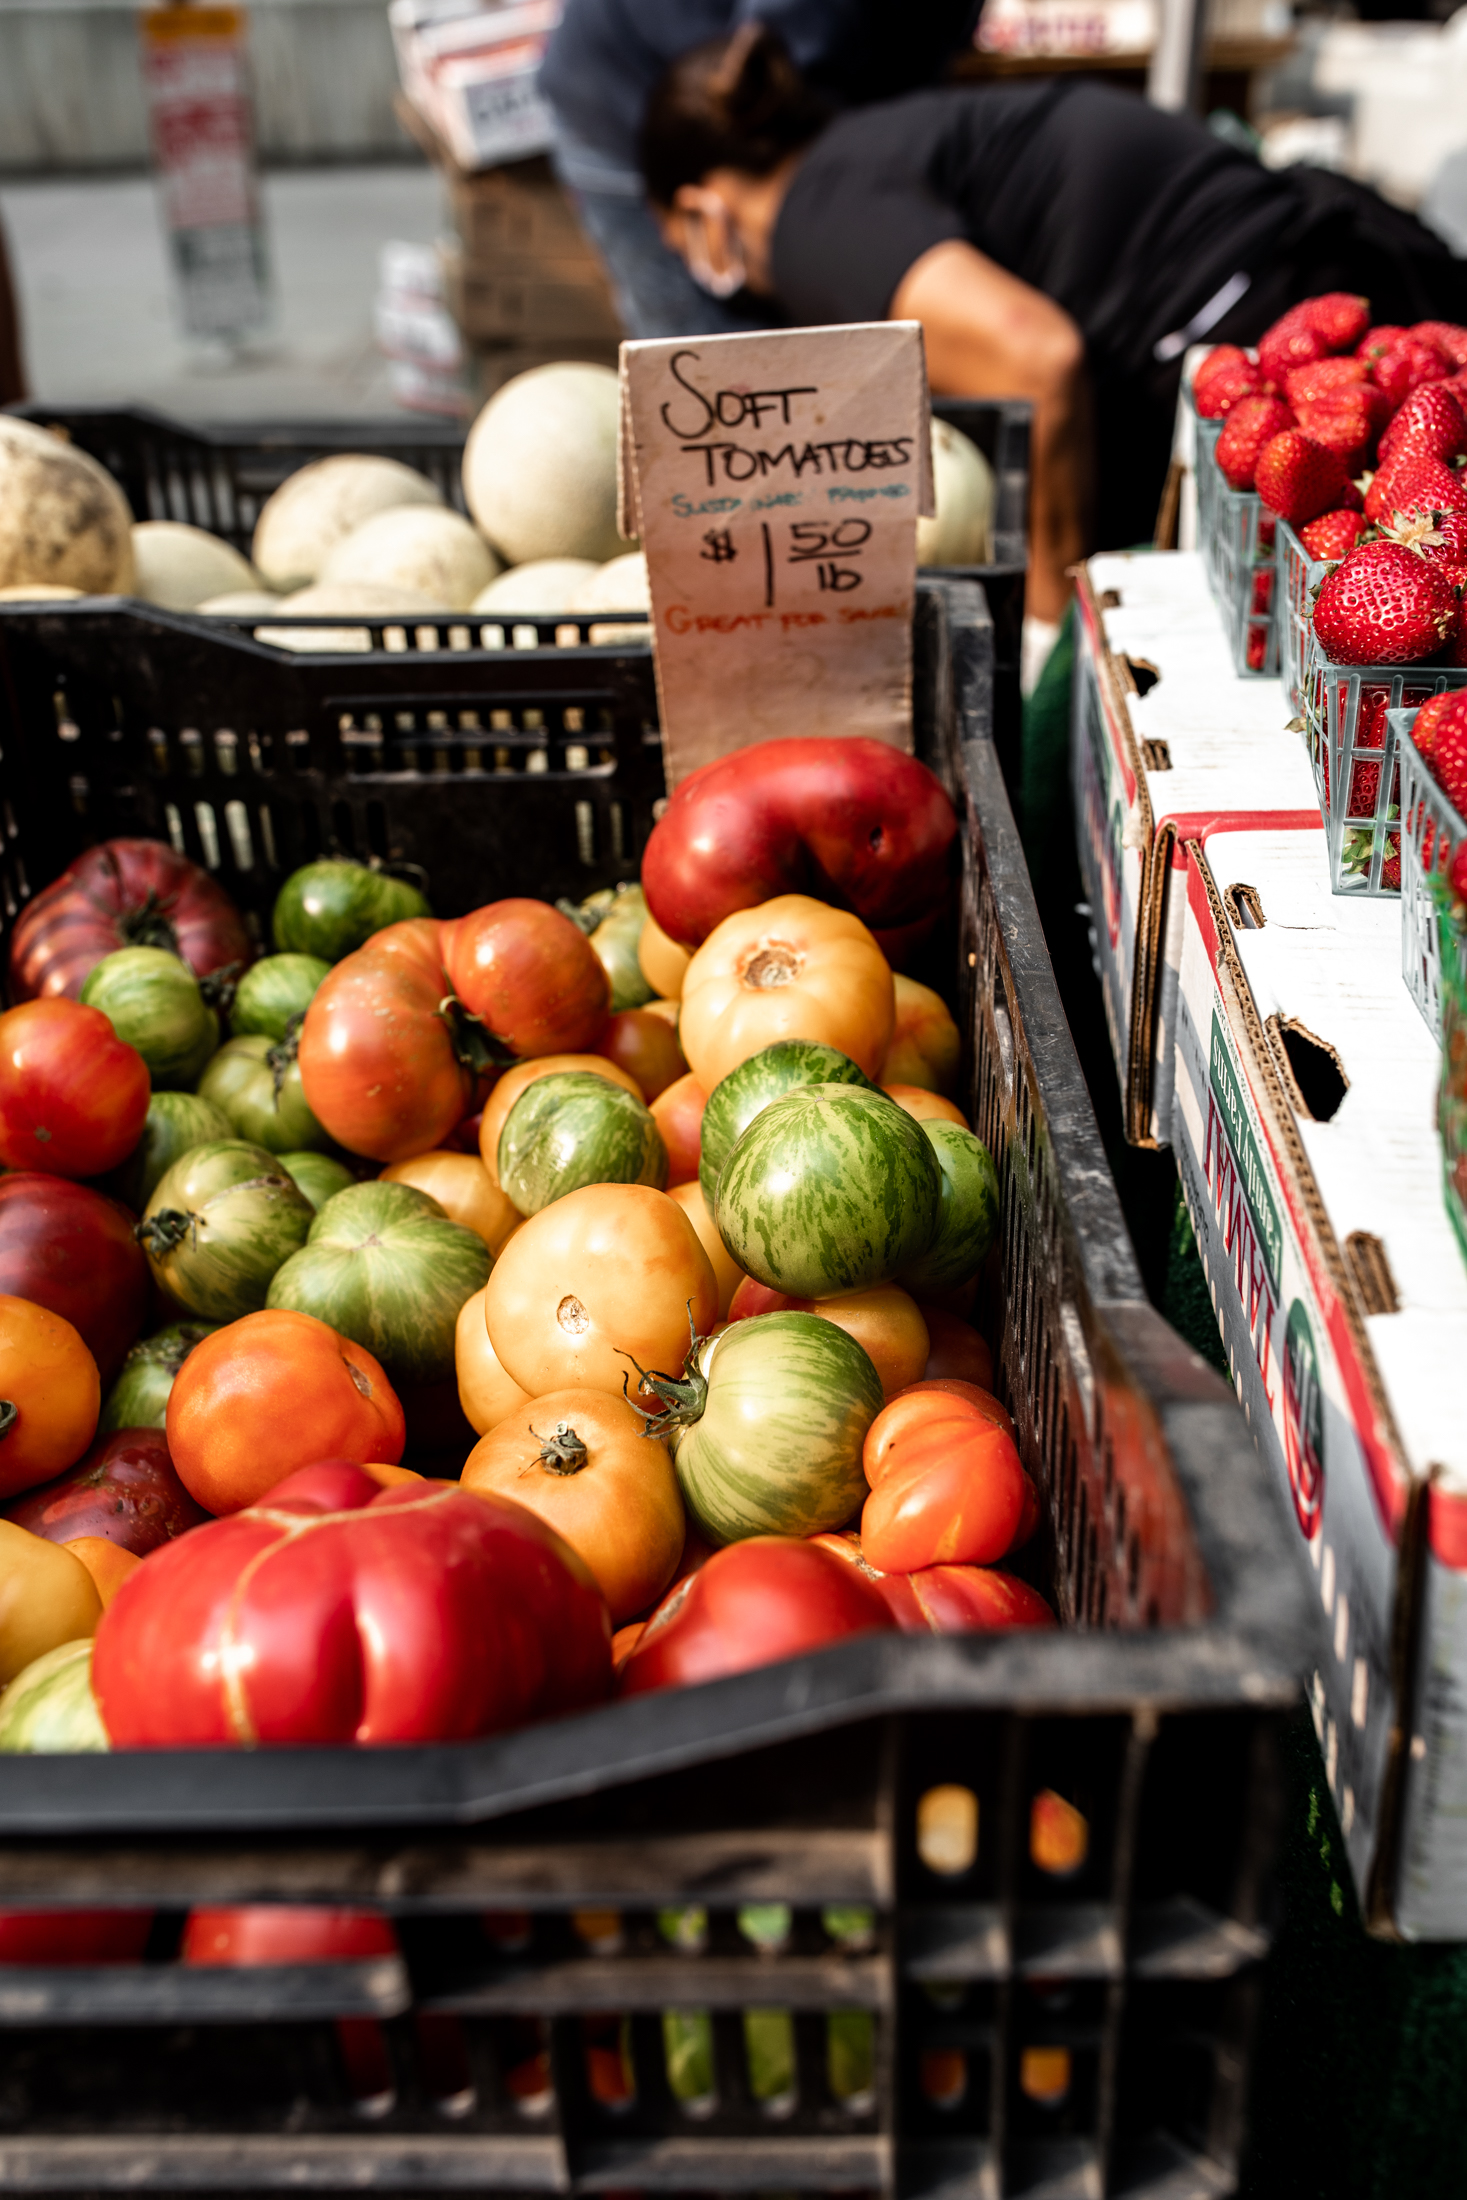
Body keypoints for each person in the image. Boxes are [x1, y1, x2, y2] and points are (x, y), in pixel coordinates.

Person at [638, 25, 1467, 623]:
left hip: (1260, 320)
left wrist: (1048, 629)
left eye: (677, 244)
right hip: (1293, 280)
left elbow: (1035, 361)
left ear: (696, 209)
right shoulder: (863, 154)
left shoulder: (815, 223)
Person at [537, 0, 977, 341]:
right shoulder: (777, 66)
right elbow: (774, 57)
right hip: (632, 99)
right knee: (715, 375)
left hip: (770, 104)